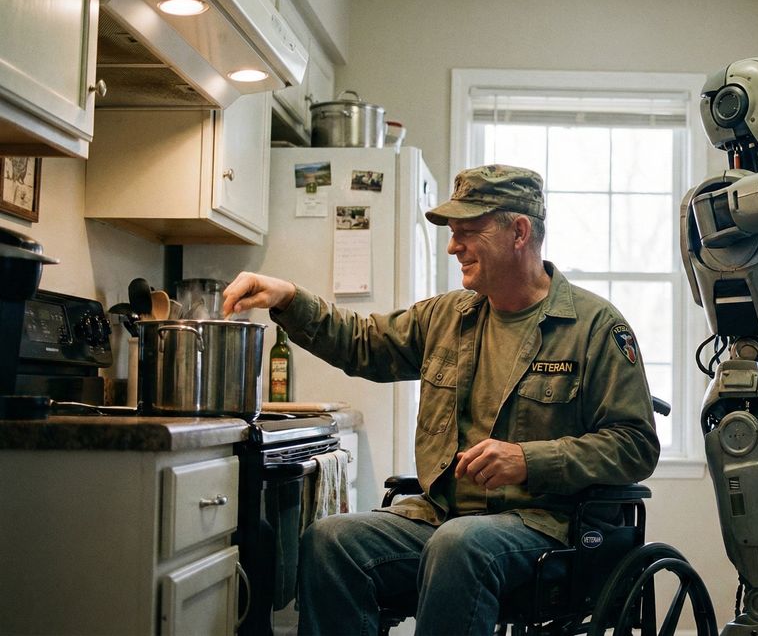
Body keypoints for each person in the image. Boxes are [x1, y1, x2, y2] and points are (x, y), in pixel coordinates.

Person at [222, 164, 661, 635]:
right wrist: (288, 298)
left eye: (468, 232)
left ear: (519, 231)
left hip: (547, 529)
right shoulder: (447, 317)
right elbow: (363, 342)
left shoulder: (595, 327)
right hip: (441, 517)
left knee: (458, 545)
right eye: (452, 234)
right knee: (330, 541)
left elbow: (635, 444)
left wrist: (528, 460)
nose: (453, 247)